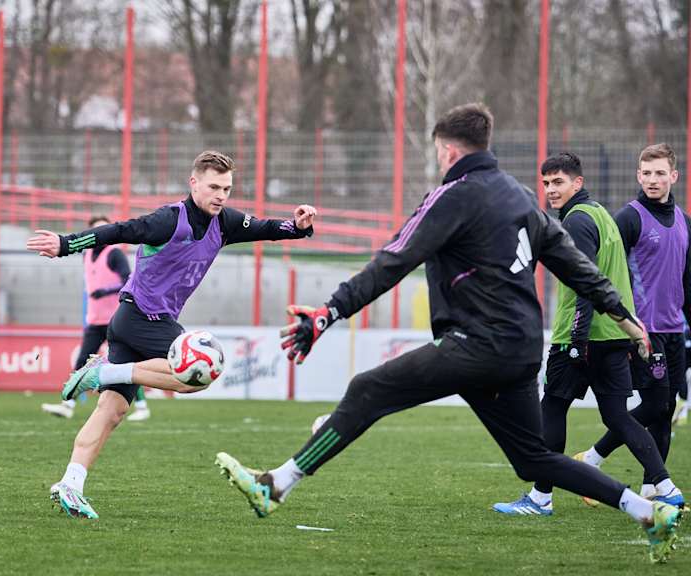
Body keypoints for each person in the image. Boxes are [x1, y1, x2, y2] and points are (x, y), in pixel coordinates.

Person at [213, 104, 682, 563]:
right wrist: (624, 315)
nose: (439, 161)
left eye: (439, 153)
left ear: (449, 150)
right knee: (533, 460)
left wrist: (327, 312)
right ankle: (647, 511)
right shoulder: (519, 195)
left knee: (368, 388)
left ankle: (275, 484)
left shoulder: (451, 195)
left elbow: (393, 260)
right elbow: (574, 264)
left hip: (478, 343)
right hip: (520, 349)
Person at [25, 150, 317, 519]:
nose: (221, 195)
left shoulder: (224, 222)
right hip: (141, 318)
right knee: (200, 374)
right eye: (213, 186)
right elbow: (118, 230)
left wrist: (299, 226)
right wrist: (67, 244)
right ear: (193, 183)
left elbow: (266, 228)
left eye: (226, 188)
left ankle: (71, 483)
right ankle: (104, 373)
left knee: (111, 412)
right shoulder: (168, 220)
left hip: (133, 321)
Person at [493, 152, 682, 515]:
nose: (550, 189)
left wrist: (577, 341)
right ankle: (666, 486)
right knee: (618, 416)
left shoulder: (578, 221)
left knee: (552, 407)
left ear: (577, 183)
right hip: (613, 332)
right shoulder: (600, 214)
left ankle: (540, 499)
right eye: (546, 183)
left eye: (558, 182)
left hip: (582, 335)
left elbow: (584, 283)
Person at [573, 143, 691, 500]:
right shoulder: (628, 217)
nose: (652, 180)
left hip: (674, 330)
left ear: (673, 176)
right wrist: (621, 323)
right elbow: (605, 270)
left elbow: (686, 280)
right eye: (646, 173)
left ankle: (649, 490)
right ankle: (592, 458)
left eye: (659, 173)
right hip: (643, 330)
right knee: (656, 405)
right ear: (638, 175)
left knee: (666, 409)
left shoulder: (685, 221)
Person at [40, 215, 152, 421]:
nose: (102, 235)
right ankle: (68, 404)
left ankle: (143, 407)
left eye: (105, 229)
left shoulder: (114, 254)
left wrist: (105, 290)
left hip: (116, 320)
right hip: (94, 318)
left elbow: (129, 280)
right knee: (83, 360)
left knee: (123, 363)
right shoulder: (86, 254)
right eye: (97, 230)